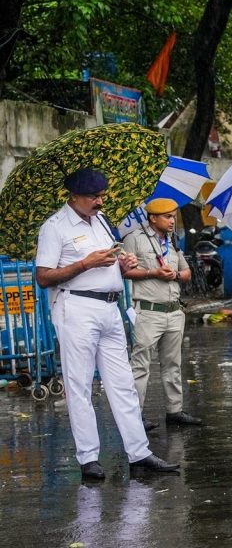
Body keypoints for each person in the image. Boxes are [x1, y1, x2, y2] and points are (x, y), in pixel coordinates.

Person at [35, 168, 179, 480]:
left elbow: (113, 259)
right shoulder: (55, 227)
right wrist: (86, 263)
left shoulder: (100, 221)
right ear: (74, 197)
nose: (100, 201)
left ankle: (139, 452)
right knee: (80, 384)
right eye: (93, 197)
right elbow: (44, 276)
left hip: (111, 307)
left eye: (102, 195)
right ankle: (88, 458)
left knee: (123, 384)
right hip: (76, 307)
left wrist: (122, 263)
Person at [122, 198, 200, 429]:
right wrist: (153, 272)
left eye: (174, 216)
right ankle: (135, 417)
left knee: (173, 364)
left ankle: (175, 411)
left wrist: (174, 275)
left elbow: (186, 272)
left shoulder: (173, 241)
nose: (172, 221)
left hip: (174, 311)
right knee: (141, 366)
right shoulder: (134, 239)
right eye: (167, 216)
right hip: (148, 311)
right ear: (153, 218)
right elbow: (125, 271)